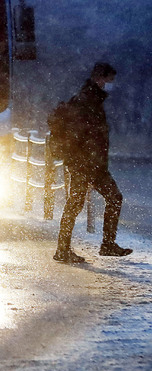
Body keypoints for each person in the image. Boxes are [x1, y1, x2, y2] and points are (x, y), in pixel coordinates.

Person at [53, 62, 132, 263]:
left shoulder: (91, 100)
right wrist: (82, 160)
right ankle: (69, 249)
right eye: (109, 80)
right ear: (100, 78)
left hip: (91, 164)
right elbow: (80, 135)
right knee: (82, 202)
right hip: (86, 164)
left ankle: (104, 245)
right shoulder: (87, 101)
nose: (111, 85)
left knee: (98, 200)